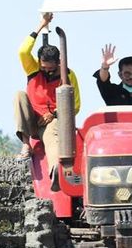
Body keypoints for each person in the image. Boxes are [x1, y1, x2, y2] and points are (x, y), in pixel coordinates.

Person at [13, 12, 81, 173]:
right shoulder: (33, 68)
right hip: (32, 120)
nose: (47, 71)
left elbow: (76, 106)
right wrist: (41, 25)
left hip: (51, 122)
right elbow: (23, 51)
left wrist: (55, 114)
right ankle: (25, 145)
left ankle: (56, 171)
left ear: (59, 63)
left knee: (52, 137)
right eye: (44, 67)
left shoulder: (69, 75)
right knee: (19, 95)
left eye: (51, 68)